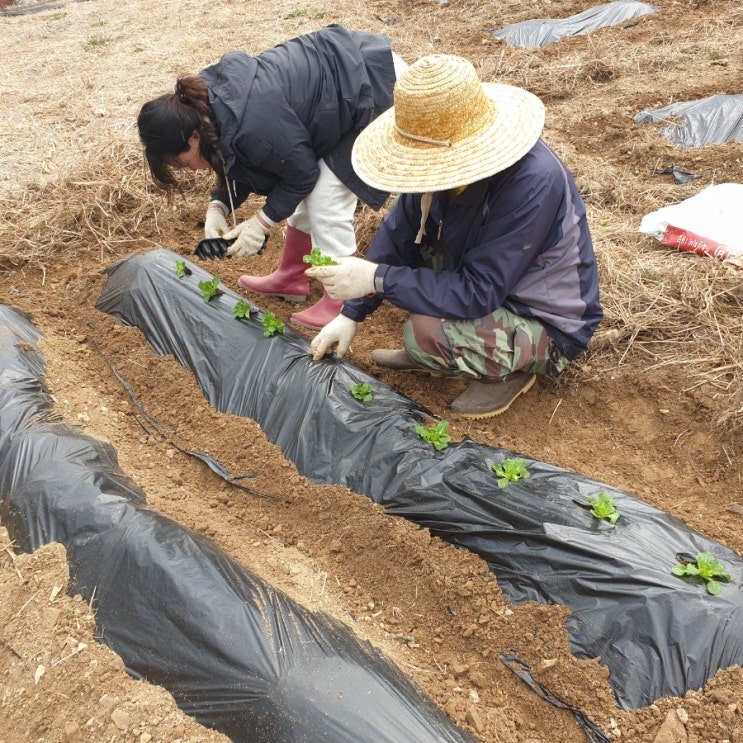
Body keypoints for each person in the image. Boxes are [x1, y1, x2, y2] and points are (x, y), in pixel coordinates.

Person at [306, 54, 603, 419]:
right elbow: (399, 235)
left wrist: (376, 278)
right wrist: (351, 313)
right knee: (413, 277)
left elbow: (479, 291)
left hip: (544, 319)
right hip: (486, 281)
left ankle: (513, 367)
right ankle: (451, 349)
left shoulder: (531, 181)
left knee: (425, 332)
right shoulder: (434, 166)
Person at [137, 24, 407, 329]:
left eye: (180, 162)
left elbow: (300, 174)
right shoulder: (205, 110)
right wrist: (218, 205)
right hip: (340, 86)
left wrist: (260, 224)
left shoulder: (252, 123)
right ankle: (292, 277)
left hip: (373, 85)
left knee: (324, 193)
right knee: (311, 184)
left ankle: (343, 299)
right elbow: (236, 157)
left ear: (193, 137)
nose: (187, 169)